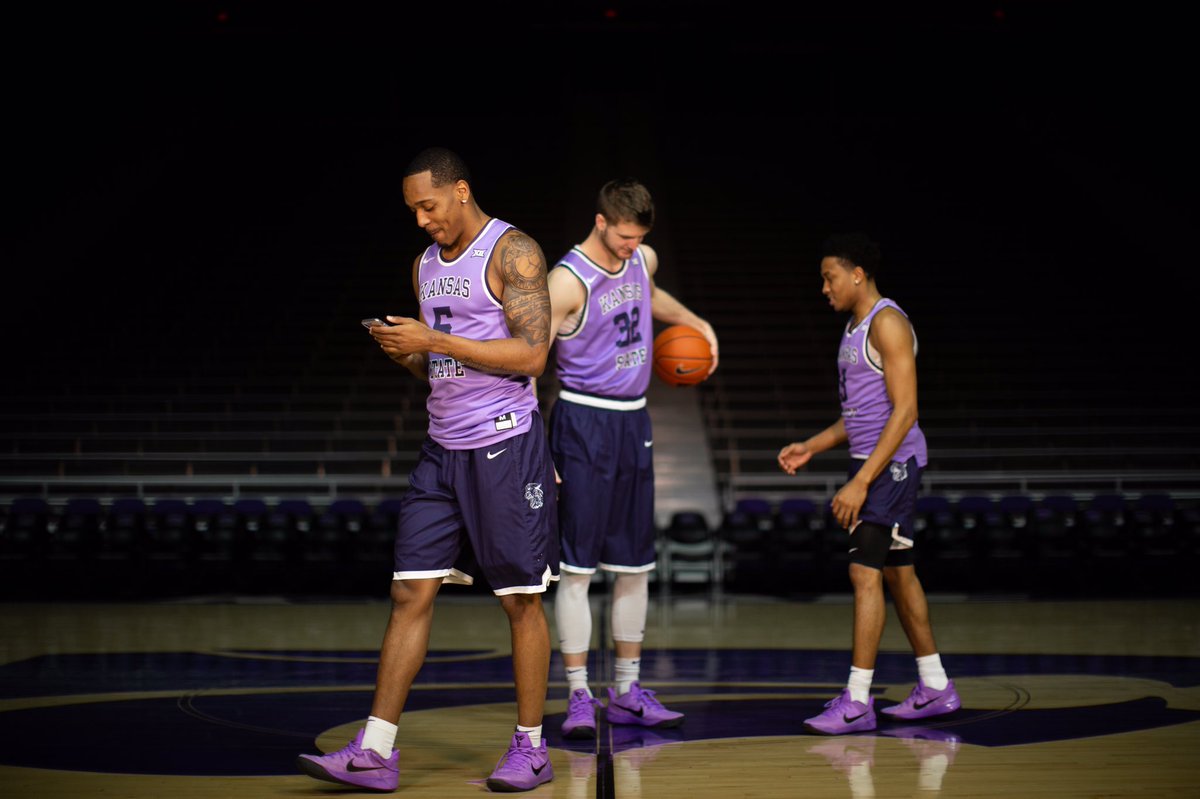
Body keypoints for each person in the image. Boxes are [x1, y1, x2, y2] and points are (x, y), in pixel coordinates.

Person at [296, 147, 559, 792]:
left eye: (428, 205)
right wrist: (405, 353)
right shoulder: (424, 266)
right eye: (413, 209)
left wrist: (432, 341)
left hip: (504, 445)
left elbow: (532, 356)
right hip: (441, 450)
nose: (420, 219)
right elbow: (440, 367)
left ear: (460, 191)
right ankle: (376, 750)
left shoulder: (513, 251)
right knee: (409, 590)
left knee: (519, 600)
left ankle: (531, 747)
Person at [545, 178, 718, 739]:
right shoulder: (566, 282)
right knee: (577, 568)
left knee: (635, 565)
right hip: (582, 421)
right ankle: (576, 695)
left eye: (638, 236)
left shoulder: (641, 257)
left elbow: (648, 290)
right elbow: (526, 359)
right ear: (600, 222)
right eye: (622, 236)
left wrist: (693, 322)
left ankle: (627, 689)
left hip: (633, 420)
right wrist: (534, 446)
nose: (630, 245)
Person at [777, 232, 960, 735]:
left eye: (829, 277)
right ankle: (936, 687)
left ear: (857, 273)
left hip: (893, 466)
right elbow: (859, 416)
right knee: (899, 574)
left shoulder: (888, 323)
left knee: (864, 573)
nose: (824, 287)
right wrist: (812, 445)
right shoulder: (856, 327)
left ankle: (857, 700)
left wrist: (860, 481)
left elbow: (906, 412)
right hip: (878, 465)